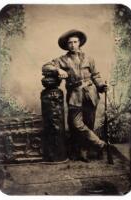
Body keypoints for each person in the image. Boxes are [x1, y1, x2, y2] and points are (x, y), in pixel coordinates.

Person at [42, 29, 108, 162]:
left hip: (91, 93)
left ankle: (85, 151)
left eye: (75, 42)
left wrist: (101, 85)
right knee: (77, 124)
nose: (72, 44)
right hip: (74, 95)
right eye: (70, 42)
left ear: (79, 43)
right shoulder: (62, 60)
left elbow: (95, 75)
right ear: (66, 45)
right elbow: (45, 67)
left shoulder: (89, 58)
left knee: (89, 123)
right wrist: (58, 69)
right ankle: (101, 144)